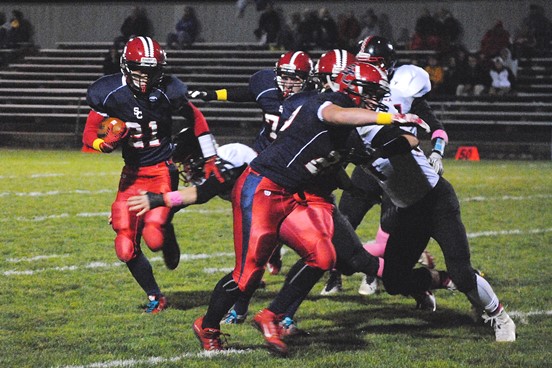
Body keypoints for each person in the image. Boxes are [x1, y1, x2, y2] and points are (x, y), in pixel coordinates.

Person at [191, 62, 430, 355]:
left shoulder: (351, 129)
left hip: (291, 194)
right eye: (371, 93)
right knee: (248, 273)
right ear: (353, 88)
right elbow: (338, 115)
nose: (375, 100)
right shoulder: (329, 103)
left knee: (323, 255)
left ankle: (271, 315)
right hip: (262, 187)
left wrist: (415, 131)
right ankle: (208, 326)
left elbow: (351, 157)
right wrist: (391, 117)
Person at [82, 36, 222, 314]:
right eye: (139, 69)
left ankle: (166, 229)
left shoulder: (170, 90)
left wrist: (210, 158)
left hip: (161, 169)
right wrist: (104, 144)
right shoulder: (108, 92)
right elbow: (88, 136)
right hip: (132, 174)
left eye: (150, 70)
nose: (144, 77)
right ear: (125, 66)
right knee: (124, 245)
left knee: (154, 237)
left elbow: (197, 120)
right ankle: (155, 296)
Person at [355, 121, 516, 343]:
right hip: (409, 213)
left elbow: (411, 139)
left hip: (436, 203)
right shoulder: (345, 135)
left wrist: (380, 152)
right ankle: (444, 279)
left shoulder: (375, 124)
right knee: (393, 281)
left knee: (462, 272)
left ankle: (500, 317)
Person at [322, 36, 449, 299]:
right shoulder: (356, 87)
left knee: (388, 235)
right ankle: (336, 275)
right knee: (343, 226)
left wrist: (436, 151)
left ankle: (382, 276)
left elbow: (434, 128)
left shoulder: (404, 87)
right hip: (367, 168)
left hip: (396, 170)